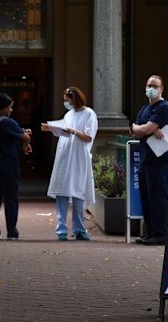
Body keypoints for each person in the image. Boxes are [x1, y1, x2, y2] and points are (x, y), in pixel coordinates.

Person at [41, 87, 98, 241]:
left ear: (75, 99)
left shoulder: (89, 114)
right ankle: (61, 229)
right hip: (64, 154)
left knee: (77, 191)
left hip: (79, 156)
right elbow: (64, 131)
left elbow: (88, 137)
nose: (66, 103)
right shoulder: (68, 114)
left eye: (67, 100)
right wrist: (51, 128)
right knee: (62, 191)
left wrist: (73, 131)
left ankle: (80, 229)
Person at [130, 75, 168, 245]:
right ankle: (150, 232)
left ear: (162, 88)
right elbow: (135, 130)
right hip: (145, 159)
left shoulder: (164, 108)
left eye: (155, 86)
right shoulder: (144, 109)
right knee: (147, 197)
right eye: (149, 85)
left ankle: (160, 233)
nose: (151, 88)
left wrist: (144, 128)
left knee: (158, 197)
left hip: (159, 160)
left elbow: (144, 129)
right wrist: (142, 128)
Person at [0, 93, 32, 240]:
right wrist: (26, 136)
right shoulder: (7, 122)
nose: (11, 110)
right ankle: (11, 231)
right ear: (4, 108)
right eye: (10, 107)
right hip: (7, 164)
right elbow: (25, 137)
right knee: (10, 197)